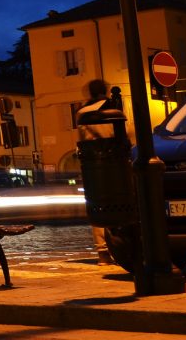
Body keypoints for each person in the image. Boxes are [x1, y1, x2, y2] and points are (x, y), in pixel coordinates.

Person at [76, 78, 115, 265]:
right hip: (114, 162)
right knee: (120, 203)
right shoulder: (113, 109)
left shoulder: (82, 113)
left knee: (97, 206)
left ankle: (103, 252)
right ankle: (120, 245)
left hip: (92, 166)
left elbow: (82, 139)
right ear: (106, 91)